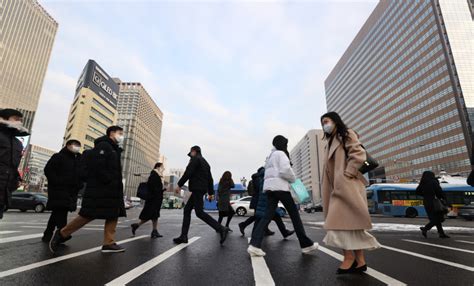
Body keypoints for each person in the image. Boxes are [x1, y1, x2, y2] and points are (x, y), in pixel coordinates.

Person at [50, 126, 127, 253]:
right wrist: (108, 180)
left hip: (112, 188)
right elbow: (98, 166)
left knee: (113, 214)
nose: (122, 136)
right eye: (120, 133)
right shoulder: (104, 146)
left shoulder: (114, 149)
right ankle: (62, 233)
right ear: (112, 133)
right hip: (101, 188)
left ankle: (109, 243)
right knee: (88, 215)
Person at [320, 112, 380, 274]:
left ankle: (349, 257)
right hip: (337, 188)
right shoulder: (330, 141)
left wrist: (347, 173)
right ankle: (360, 261)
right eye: (323, 123)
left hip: (346, 186)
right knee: (350, 225)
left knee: (339, 225)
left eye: (327, 121)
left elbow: (358, 154)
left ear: (335, 121)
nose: (325, 125)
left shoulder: (346, 134)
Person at [247, 136, 318, 257]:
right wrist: (293, 179)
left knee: (266, 217)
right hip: (280, 188)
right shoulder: (281, 154)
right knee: (295, 216)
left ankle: (254, 244)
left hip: (270, 189)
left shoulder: (270, 156)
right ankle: (306, 245)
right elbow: (285, 170)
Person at [173, 146, 230, 245]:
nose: (190, 156)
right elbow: (210, 179)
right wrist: (211, 193)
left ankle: (221, 228)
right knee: (187, 210)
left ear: (194, 151)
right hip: (201, 189)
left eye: (190, 153)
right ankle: (184, 236)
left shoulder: (195, 159)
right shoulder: (206, 163)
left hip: (197, 189)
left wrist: (179, 185)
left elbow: (188, 173)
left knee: (199, 212)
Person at [42, 140, 83, 242]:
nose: (77, 147)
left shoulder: (78, 159)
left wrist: (79, 184)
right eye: (75, 145)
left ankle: (48, 234)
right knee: (61, 210)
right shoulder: (58, 156)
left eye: (79, 146)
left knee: (58, 211)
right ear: (68, 145)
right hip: (58, 189)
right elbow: (48, 170)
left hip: (71, 191)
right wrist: (58, 182)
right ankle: (63, 233)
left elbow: (80, 174)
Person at [239, 167, 295, 238]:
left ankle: (252, 229)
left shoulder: (257, 178)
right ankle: (253, 235)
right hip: (260, 202)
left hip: (259, 201)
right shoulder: (259, 178)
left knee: (261, 217)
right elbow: (262, 189)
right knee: (262, 217)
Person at [0, 109, 28, 219]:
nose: (19, 122)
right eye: (16, 119)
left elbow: (12, 166)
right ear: (3, 119)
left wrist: (15, 180)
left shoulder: (17, 143)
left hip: (4, 193)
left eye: (21, 120)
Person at [131, 162, 165, 238]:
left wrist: (162, 190)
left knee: (155, 215)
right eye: (162, 167)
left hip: (156, 198)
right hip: (153, 199)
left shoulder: (157, 175)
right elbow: (152, 186)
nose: (164, 169)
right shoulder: (154, 174)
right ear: (158, 167)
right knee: (150, 215)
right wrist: (159, 191)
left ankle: (154, 231)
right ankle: (137, 225)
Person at [416, 171, 450, 239]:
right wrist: (445, 199)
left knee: (435, 218)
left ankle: (441, 233)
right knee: (439, 218)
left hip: (426, 202)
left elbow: (417, 192)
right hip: (434, 202)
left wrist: (426, 195)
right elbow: (439, 192)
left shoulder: (422, 183)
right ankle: (425, 228)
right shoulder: (433, 181)